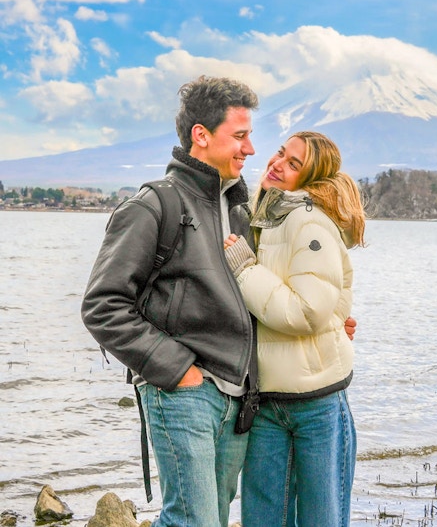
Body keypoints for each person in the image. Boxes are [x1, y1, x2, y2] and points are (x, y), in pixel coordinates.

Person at [81, 75, 259, 527]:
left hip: (238, 399)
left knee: (211, 520)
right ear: (201, 135)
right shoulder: (153, 205)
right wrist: (180, 371)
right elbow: (102, 305)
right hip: (185, 393)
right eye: (239, 136)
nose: (250, 148)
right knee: (192, 522)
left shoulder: (241, 209)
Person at [224, 130, 366, 527]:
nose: (277, 164)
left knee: (322, 520)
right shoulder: (268, 216)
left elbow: (306, 311)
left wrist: (245, 270)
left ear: (310, 180)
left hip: (316, 405)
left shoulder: (309, 222)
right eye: (281, 153)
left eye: (293, 164)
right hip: (266, 402)